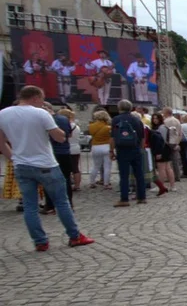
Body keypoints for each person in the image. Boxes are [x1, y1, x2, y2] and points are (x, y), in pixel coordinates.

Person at [0, 85, 94, 250]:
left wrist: (13, 157)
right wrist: (53, 120)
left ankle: (40, 241)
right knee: (61, 202)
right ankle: (74, 235)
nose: (42, 103)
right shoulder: (41, 113)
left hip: (22, 164)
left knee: (30, 206)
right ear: (35, 97)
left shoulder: (3, 113)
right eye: (42, 99)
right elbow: (59, 137)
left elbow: (1, 141)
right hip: (45, 163)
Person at [110, 100, 147, 207]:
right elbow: (142, 137)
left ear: (119, 108)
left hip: (122, 149)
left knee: (124, 175)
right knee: (139, 174)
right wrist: (141, 148)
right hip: (135, 148)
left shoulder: (116, 119)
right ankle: (141, 197)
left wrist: (111, 150)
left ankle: (124, 199)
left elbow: (112, 137)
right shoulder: (136, 119)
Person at [41, 104, 74, 214]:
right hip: (64, 152)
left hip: (50, 153)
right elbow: (69, 134)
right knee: (66, 179)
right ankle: (69, 203)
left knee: (48, 180)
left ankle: (50, 205)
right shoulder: (64, 119)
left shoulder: (44, 119)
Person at [148, 113, 174, 196]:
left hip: (163, 149)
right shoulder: (160, 127)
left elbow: (161, 140)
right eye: (154, 118)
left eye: (156, 118)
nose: (155, 120)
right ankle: (171, 186)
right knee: (166, 167)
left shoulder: (161, 127)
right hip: (164, 148)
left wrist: (159, 152)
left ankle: (163, 185)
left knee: (162, 168)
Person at [87, 109, 112, 190]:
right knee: (107, 166)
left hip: (95, 146)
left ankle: (92, 182)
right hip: (106, 146)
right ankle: (106, 184)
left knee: (95, 166)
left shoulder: (91, 126)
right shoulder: (108, 127)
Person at [159, 108, 184, 181]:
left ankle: (169, 177)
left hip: (167, 142)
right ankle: (177, 176)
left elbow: (164, 132)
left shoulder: (165, 121)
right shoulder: (177, 121)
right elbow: (180, 133)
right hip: (175, 141)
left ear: (166, 113)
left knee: (167, 161)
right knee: (175, 160)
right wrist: (178, 143)